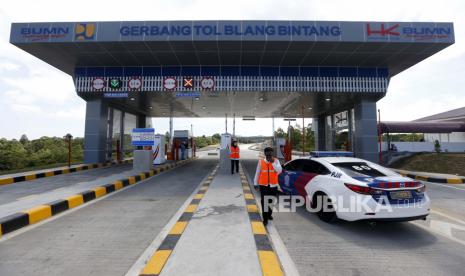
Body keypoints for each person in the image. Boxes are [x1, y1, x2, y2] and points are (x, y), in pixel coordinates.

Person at [254, 146, 282, 226]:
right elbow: (257, 173)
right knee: (264, 202)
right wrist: (255, 183)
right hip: (263, 185)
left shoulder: (276, 161)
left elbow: (279, 171)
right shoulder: (261, 162)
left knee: (271, 202)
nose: (269, 155)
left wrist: (273, 162)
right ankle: (265, 219)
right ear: (265, 154)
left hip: (273, 185)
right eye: (268, 153)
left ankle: (269, 214)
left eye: (271, 153)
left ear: (272, 153)